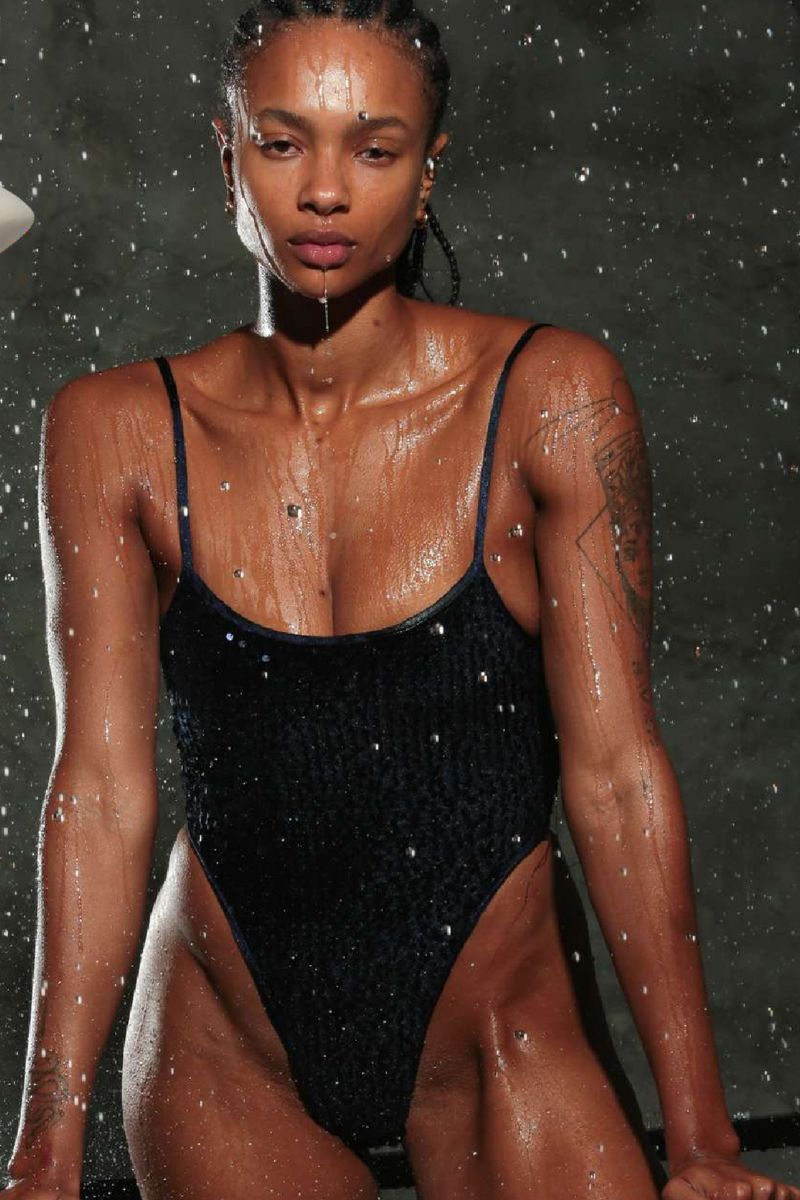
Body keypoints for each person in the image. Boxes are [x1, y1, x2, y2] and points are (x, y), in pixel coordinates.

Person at [3, 2, 797, 1198]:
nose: (325, 191)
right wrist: (44, 1150)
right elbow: (102, 789)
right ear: (227, 156)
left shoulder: (553, 396)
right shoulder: (111, 428)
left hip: (496, 1016)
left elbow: (617, 773)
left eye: (373, 149)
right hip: (227, 1033)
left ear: (425, 172)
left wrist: (700, 1144)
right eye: (282, 143)